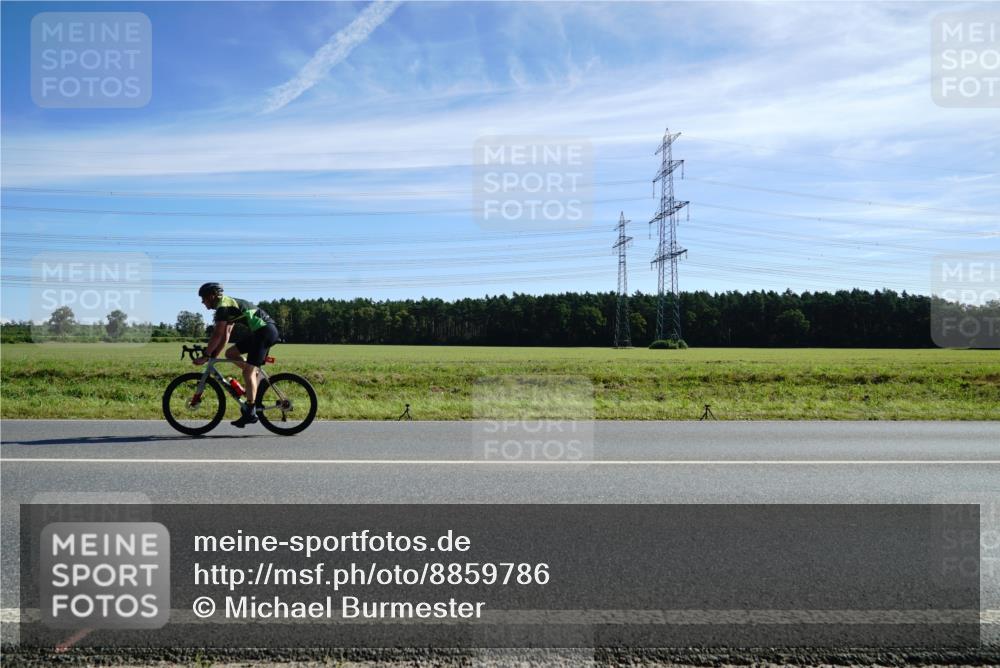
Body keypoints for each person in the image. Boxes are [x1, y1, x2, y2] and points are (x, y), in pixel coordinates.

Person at [195, 282, 280, 428]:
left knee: (248, 372)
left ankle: (251, 412)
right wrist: (214, 355)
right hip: (261, 332)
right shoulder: (227, 306)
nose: (203, 302)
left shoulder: (224, 307)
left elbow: (217, 334)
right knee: (231, 353)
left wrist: (206, 354)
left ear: (212, 296)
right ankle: (254, 375)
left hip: (265, 332)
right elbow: (225, 335)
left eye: (204, 298)